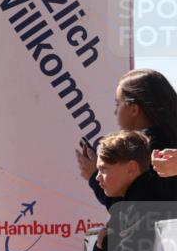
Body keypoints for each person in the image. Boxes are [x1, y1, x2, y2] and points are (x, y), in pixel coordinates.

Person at [76, 69, 177, 205]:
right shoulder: (168, 139)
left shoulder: (145, 148)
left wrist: (94, 175)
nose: (115, 111)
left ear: (134, 109)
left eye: (118, 104)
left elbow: (132, 211)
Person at [90, 131, 173, 251]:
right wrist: (107, 242)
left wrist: (106, 241)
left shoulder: (152, 198)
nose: (97, 178)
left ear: (131, 168)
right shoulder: (123, 204)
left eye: (103, 169)